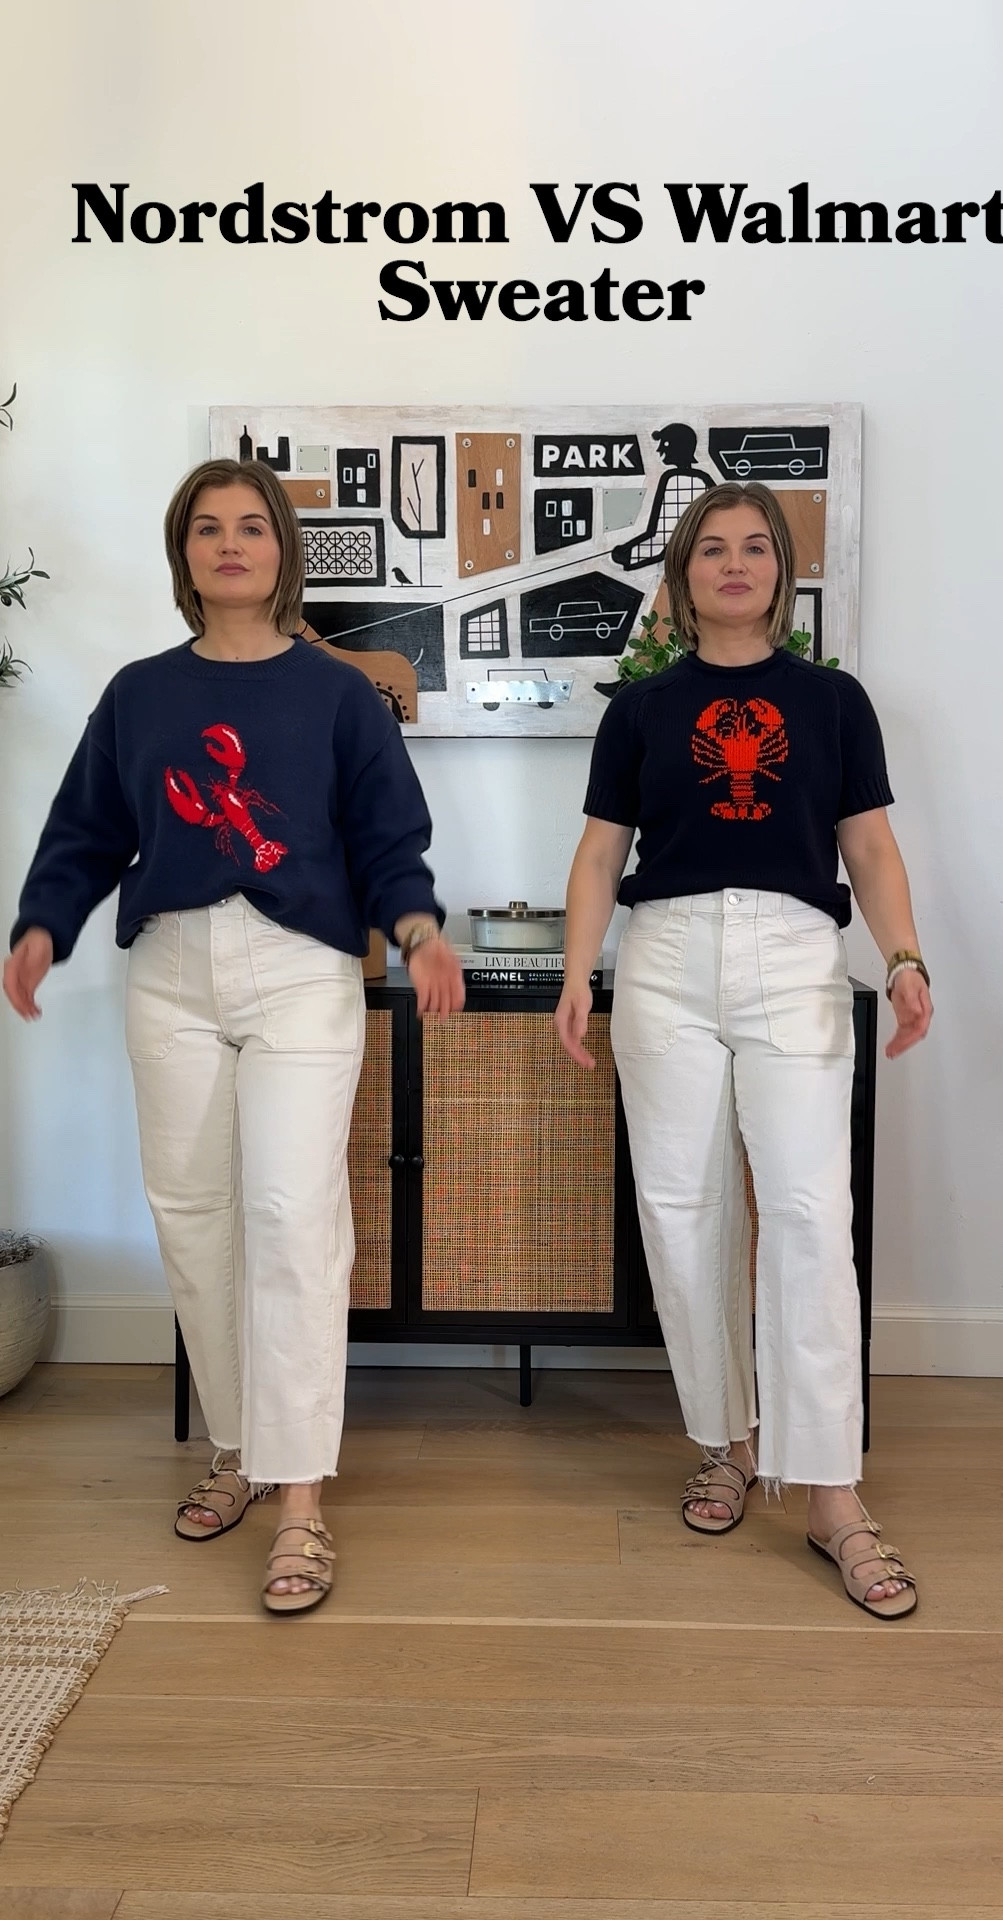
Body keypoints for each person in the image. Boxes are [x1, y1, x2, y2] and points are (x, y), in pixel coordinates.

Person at [4, 458, 464, 1615]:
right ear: (185, 554)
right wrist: (44, 924)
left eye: (251, 526)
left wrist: (416, 929)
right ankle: (237, 1445)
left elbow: (388, 837)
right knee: (195, 1214)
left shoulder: (339, 697)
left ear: (281, 550)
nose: (229, 544)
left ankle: (300, 1496)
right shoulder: (141, 694)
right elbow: (86, 828)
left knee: (293, 1216)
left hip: (301, 967)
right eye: (206, 528)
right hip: (170, 970)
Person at [555, 481, 932, 1620]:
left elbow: (869, 846)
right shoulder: (640, 710)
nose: (734, 563)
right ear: (682, 573)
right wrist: (577, 973)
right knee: (682, 1207)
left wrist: (905, 959)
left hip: (792, 952)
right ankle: (725, 1438)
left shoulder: (833, 703)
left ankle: (830, 1492)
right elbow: (599, 853)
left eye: (754, 546)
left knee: (809, 1211)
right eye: (711, 547)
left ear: (781, 571)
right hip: (664, 957)